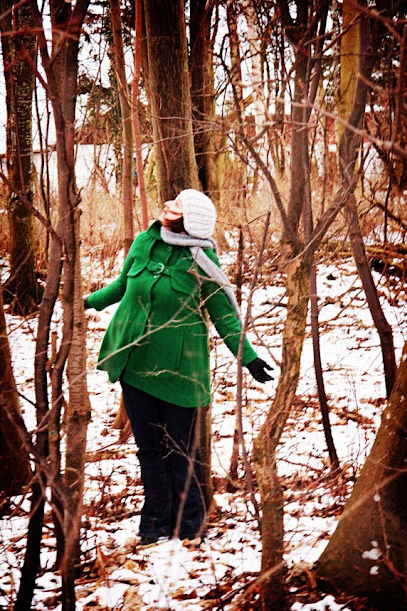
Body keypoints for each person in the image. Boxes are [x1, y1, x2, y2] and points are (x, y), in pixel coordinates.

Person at [85, 189, 273, 545]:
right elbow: (122, 286)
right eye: (172, 201)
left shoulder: (203, 261)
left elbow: (224, 316)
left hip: (181, 371)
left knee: (182, 451)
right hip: (136, 362)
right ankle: (154, 523)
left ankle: (189, 527)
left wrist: (248, 358)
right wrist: (84, 303)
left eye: (177, 206)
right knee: (148, 450)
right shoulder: (144, 242)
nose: (168, 206)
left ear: (190, 221)